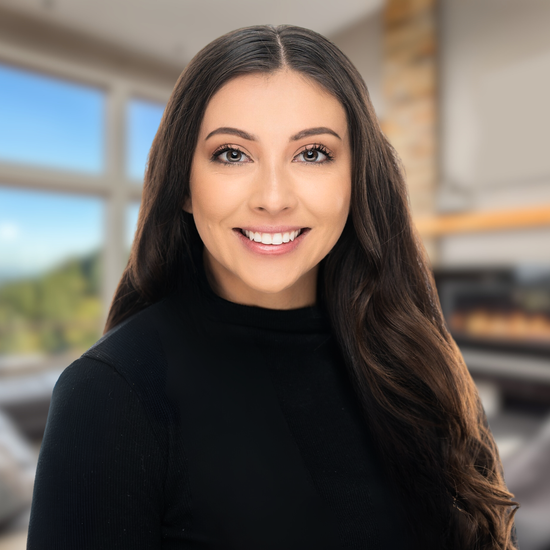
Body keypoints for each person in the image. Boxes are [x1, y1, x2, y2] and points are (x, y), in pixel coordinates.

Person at [26, 24, 519, 549]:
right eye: (233, 154)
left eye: (312, 153)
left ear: (356, 180)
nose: (274, 197)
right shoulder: (108, 395)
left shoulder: (416, 360)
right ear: (185, 185)